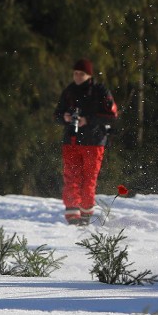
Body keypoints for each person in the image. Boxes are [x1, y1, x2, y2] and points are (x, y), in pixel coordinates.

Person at [53, 58, 119, 225]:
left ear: (89, 75)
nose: (77, 76)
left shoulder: (100, 91)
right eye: (75, 73)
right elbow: (57, 115)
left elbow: (112, 115)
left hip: (94, 141)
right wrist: (65, 117)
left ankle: (85, 214)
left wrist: (88, 120)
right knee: (71, 177)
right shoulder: (69, 91)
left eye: (81, 74)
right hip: (71, 140)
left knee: (88, 179)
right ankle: (72, 215)